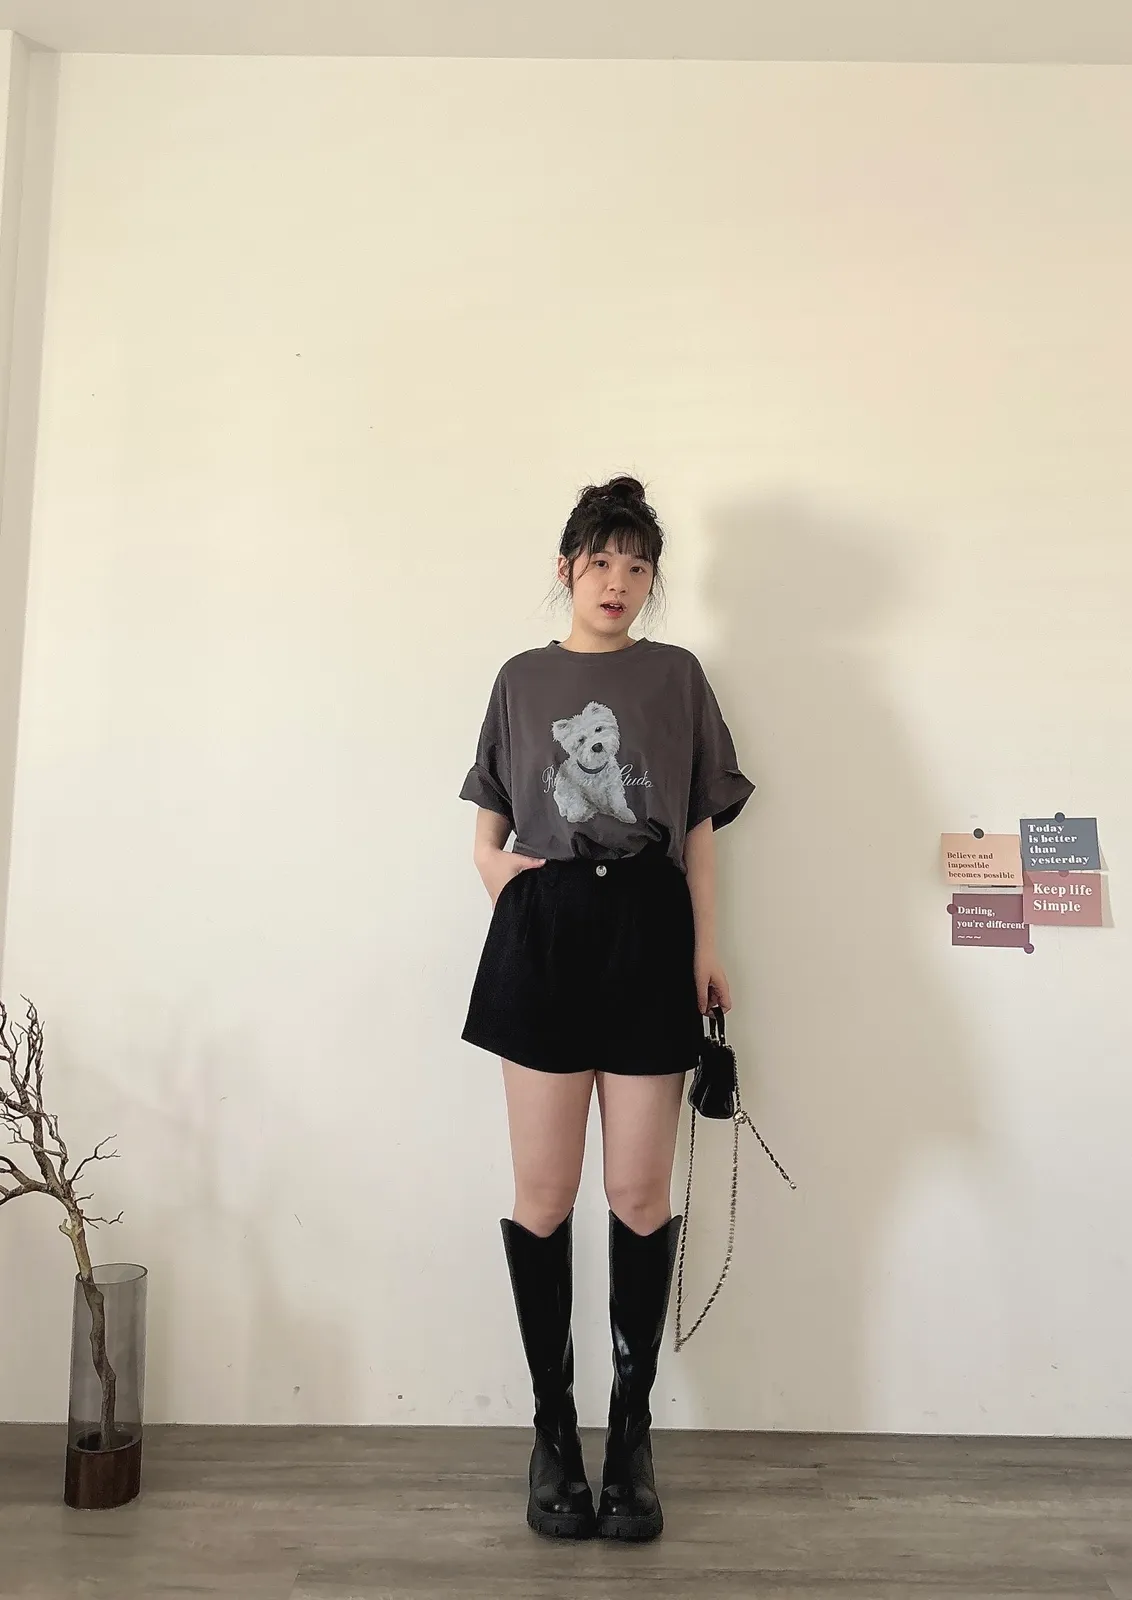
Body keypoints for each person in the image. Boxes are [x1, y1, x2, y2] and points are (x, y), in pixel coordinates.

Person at [459, 475, 754, 1542]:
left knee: (637, 1190)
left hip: (647, 930)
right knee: (543, 1194)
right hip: (543, 934)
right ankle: (553, 1433)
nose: (619, 581)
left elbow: (700, 825)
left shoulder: (677, 676)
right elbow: (487, 819)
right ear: (567, 569)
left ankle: (630, 1437)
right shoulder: (521, 678)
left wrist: (706, 946)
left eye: (637, 566)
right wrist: (501, 875)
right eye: (601, 562)